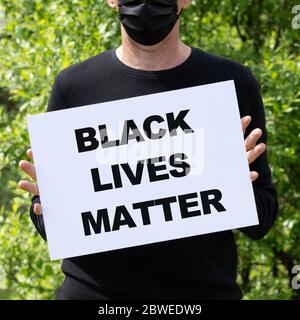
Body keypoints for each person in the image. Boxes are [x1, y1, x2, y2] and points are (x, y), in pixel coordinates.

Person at [18, 0, 278, 300]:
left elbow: (263, 218)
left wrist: (233, 187)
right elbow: (57, 227)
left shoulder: (231, 82)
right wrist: (47, 206)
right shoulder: (73, 87)